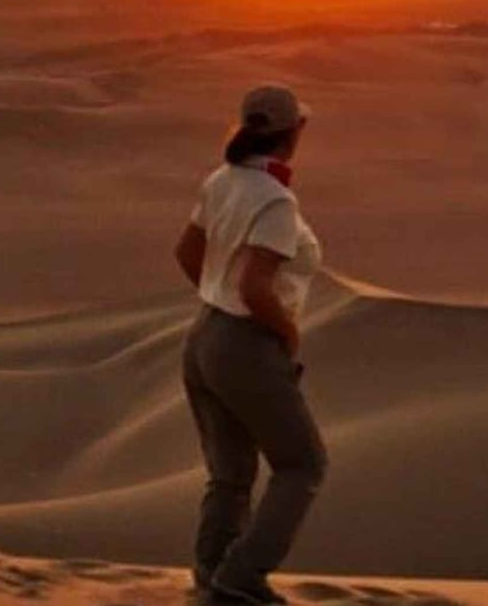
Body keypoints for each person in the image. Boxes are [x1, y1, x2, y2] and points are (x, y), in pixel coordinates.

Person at [174, 84, 327, 605]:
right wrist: (287, 333)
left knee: (231, 472)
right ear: (293, 132)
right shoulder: (275, 200)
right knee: (303, 464)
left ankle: (212, 573)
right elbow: (255, 286)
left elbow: (186, 251)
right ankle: (241, 575)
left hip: (204, 336)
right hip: (245, 343)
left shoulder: (223, 179)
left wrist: (215, 296)